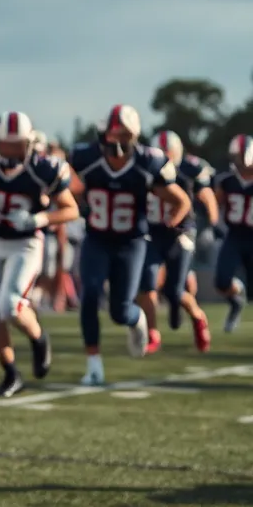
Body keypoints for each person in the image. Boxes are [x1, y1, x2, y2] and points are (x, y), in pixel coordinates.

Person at [69, 105, 189, 386]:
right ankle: (94, 363)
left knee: (120, 311)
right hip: (97, 238)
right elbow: (63, 186)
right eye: (113, 135)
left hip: (131, 242)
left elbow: (181, 200)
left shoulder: (148, 162)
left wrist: (172, 224)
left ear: (134, 136)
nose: (117, 142)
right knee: (89, 294)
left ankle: (137, 321)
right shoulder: (85, 158)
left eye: (124, 135)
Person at [0, 111, 79, 397]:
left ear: (29, 143)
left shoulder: (44, 168)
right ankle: (11, 373)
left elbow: (70, 209)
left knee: (10, 304)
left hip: (25, 243)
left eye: (18, 145)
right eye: (7, 144)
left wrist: (39, 219)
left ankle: (39, 338)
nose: (12, 151)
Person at [137, 129, 217, 353]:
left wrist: (213, 221)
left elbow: (207, 195)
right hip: (153, 232)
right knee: (147, 284)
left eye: (167, 153)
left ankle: (198, 318)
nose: (163, 157)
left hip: (180, 233)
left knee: (174, 291)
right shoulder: (143, 168)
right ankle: (153, 333)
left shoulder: (189, 169)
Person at [212, 135, 253, 333]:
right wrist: (215, 224)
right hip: (234, 236)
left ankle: (240, 304)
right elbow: (215, 206)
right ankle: (236, 300)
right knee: (221, 280)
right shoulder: (226, 181)